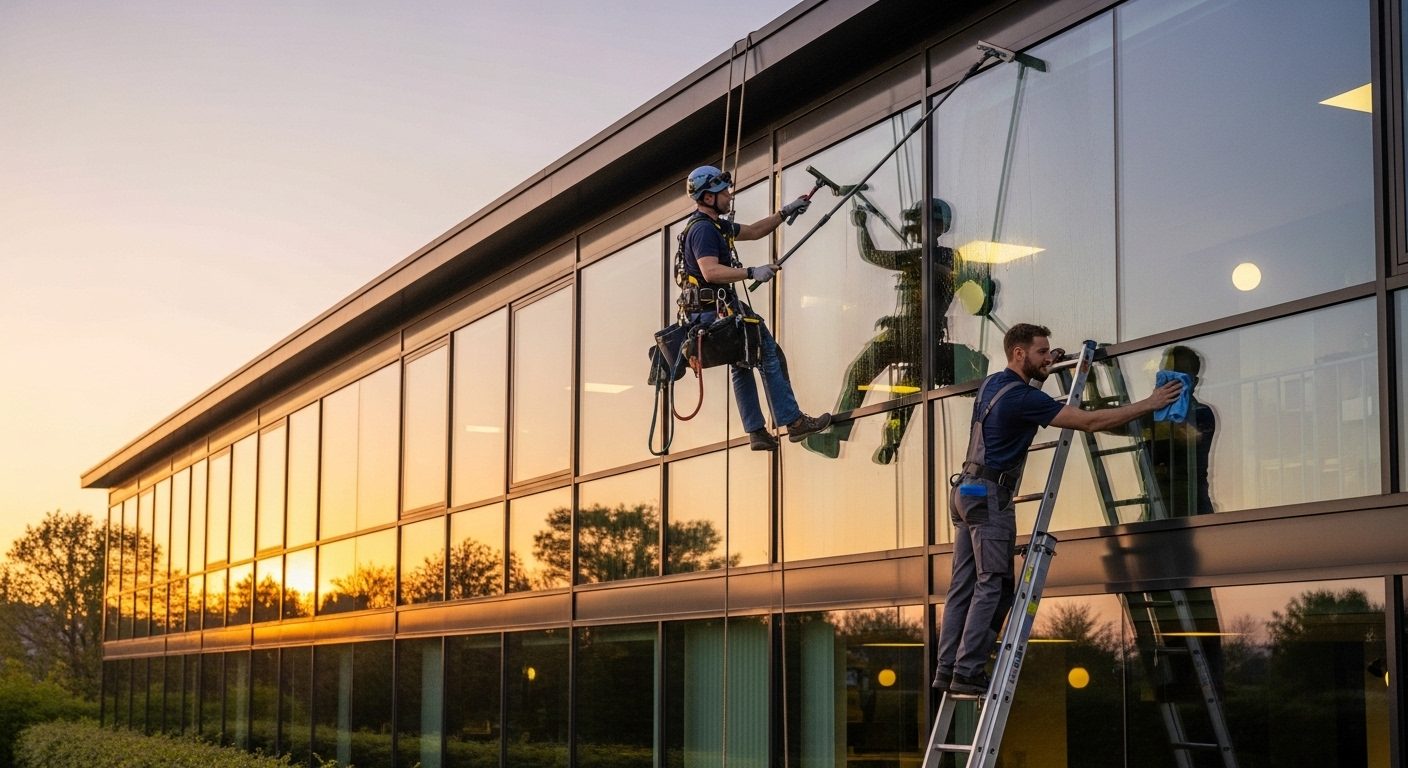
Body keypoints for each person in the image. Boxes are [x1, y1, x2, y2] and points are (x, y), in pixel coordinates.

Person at [935, 323, 1182, 695]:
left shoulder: (992, 385)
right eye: (1041, 352)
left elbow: (1024, 397)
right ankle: (968, 671)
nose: (1048, 358)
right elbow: (1090, 421)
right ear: (1019, 354)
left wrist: (1048, 367)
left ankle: (946, 668)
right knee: (995, 585)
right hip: (989, 497)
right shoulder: (1023, 398)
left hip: (965, 490)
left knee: (962, 586)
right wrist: (1150, 403)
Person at [804, 197, 986, 464]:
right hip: (909, 331)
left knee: (889, 380)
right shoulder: (929, 257)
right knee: (895, 382)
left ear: (938, 228)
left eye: (927, 223)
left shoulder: (941, 256)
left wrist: (862, 227)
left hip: (915, 335)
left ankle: (863, 439)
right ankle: (878, 442)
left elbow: (874, 256)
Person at [677, 165, 832, 450]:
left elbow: (754, 231)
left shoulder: (715, 226)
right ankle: (793, 422)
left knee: (743, 362)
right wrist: (751, 272)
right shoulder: (702, 231)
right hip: (715, 312)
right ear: (708, 197)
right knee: (767, 351)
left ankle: (757, 431)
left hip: (711, 312)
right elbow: (710, 272)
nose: (728, 195)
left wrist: (784, 213)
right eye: (722, 192)